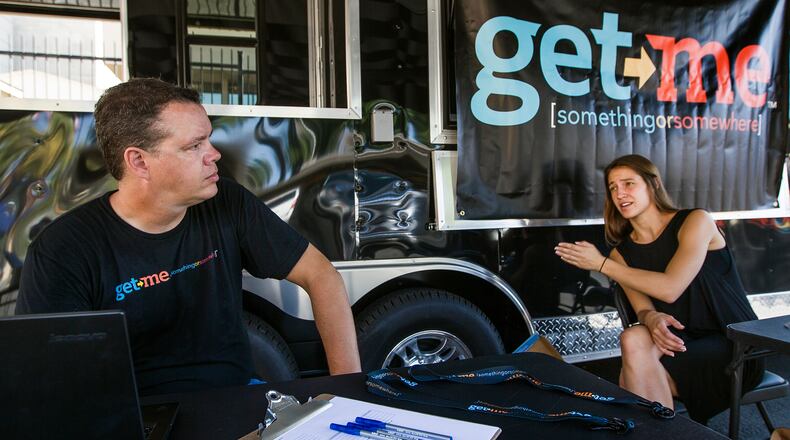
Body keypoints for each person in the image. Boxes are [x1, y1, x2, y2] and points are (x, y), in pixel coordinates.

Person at [15, 78, 361, 395]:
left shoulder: (227, 201)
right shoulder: (63, 249)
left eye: (208, 138)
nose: (214, 154)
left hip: (235, 397)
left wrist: (346, 391)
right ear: (139, 162)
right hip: (135, 415)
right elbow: (48, 378)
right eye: (194, 145)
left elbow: (321, 275)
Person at [554, 154, 763, 423]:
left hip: (734, 344)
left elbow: (670, 288)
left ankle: (648, 426)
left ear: (652, 184)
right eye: (613, 187)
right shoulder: (622, 253)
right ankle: (662, 429)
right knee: (633, 339)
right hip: (678, 343)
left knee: (634, 380)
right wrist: (651, 318)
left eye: (629, 183)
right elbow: (642, 309)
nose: (620, 193)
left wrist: (601, 264)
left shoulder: (695, 221)